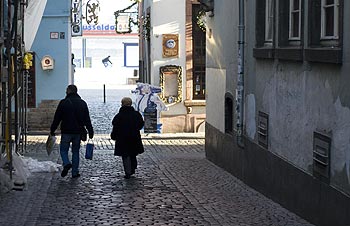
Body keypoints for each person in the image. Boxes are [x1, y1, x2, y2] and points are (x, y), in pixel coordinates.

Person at [50, 85, 94, 178]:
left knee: (63, 150)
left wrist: (52, 129)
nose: (65, 92)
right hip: (78, 132)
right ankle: (75, 172)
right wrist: (90, 131)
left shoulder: (63, 103)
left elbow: (57, 118)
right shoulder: (82, 103)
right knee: (75, 152)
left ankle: (66, 163)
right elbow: (87, 119)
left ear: (69, 91)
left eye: (66, 90)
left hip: (66, 131)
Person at [111, 97, 144, 179]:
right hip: (134, 137)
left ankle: (128, 171)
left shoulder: (119, 115)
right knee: (133, 153)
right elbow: (141, 124)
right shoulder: (136, 114)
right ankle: (132, 168)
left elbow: (115, 126)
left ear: (122, 104)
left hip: (122, 139)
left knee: (125, 155)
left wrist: (113, 135)